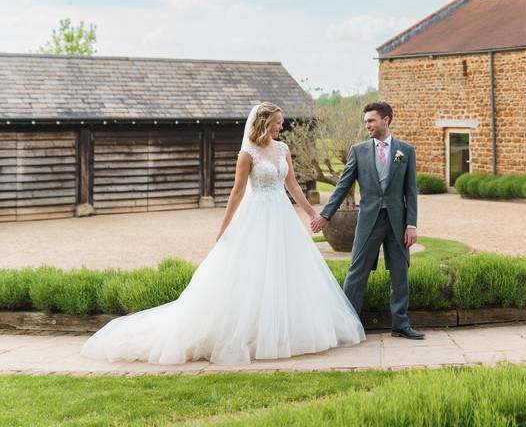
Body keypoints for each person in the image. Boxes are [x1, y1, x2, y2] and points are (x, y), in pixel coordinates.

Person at [81, 102, 365, 365]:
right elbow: (238, 192)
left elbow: (292, 185)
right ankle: (248, 332)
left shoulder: (283, 149)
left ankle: (285, 332)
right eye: (277, 123)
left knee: (285, 271)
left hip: (281, 216)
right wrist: (224, 227)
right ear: (264, 123)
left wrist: (313, 213)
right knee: (251, 273)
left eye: (281, 123)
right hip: (256, 216)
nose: (281, 127)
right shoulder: (248, 153)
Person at [312, 101, 424, 339]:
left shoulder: (406, 151)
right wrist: (325, 215)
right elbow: (343, 185)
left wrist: (411, 225)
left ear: (386, 120)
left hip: (398, 221)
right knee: (357, 271)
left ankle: (401, 325)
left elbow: (410, 192)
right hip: (368, 220)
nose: (367, 126)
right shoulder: (358, 150)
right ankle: (347, 325)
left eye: (371, 121)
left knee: (400, 273)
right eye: (365, 122)